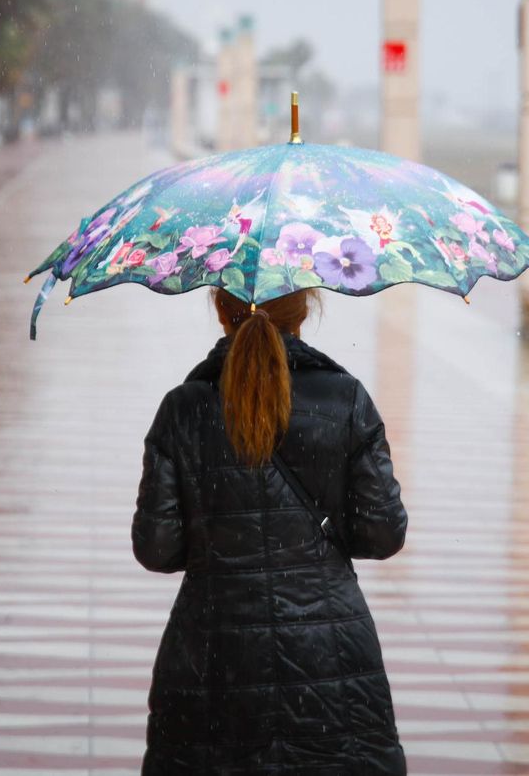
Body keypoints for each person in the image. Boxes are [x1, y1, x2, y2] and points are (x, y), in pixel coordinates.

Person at [133, 288, 407, 774]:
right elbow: (383, 534)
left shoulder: (183, 408)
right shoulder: (346, 400)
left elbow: (157, 548)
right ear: (304, 310)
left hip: (213, 654)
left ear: (221, 310)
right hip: (330, 658)